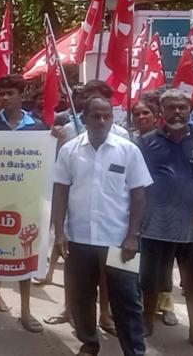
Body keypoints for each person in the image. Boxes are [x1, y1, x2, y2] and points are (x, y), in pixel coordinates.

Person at [50, 96, 152, 355]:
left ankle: (134, 350)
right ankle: (88, 343)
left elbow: (139, 196)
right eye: (96, 116)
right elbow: (60, 191)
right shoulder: (69, 150)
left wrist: (133, 236)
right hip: (79, 239)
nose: (102, 121)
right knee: (81, 295)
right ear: (84, 118)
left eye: (107, 115)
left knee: (127, 299)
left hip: (119, 242)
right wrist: (60, 233)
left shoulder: (128, 150)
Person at [138, 88, 193, 352]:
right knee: (151, 281)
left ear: (190, 110)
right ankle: (147, 321)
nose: (177, 112)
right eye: (171, 108)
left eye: (182, 107)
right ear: (161, 112)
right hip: (155, 226)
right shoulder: (146, 141)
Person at [0, 74, 46, 333]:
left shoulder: (38, 128)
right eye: (1, 94)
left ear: (22, 94)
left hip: (27, 201)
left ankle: (26, 312)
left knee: (25, 255)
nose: (4, 98)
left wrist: (58, 138)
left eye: (10, 94)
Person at [130, 94, 178, 327]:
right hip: (137, 208)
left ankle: (166, 304)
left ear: (156, 116)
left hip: (163, 209)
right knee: (141, 260)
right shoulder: (130, 141)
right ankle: (139, 303)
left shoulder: (166, 140)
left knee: (164, 262)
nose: (141, 117)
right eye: (136, 114)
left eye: (145, 113)